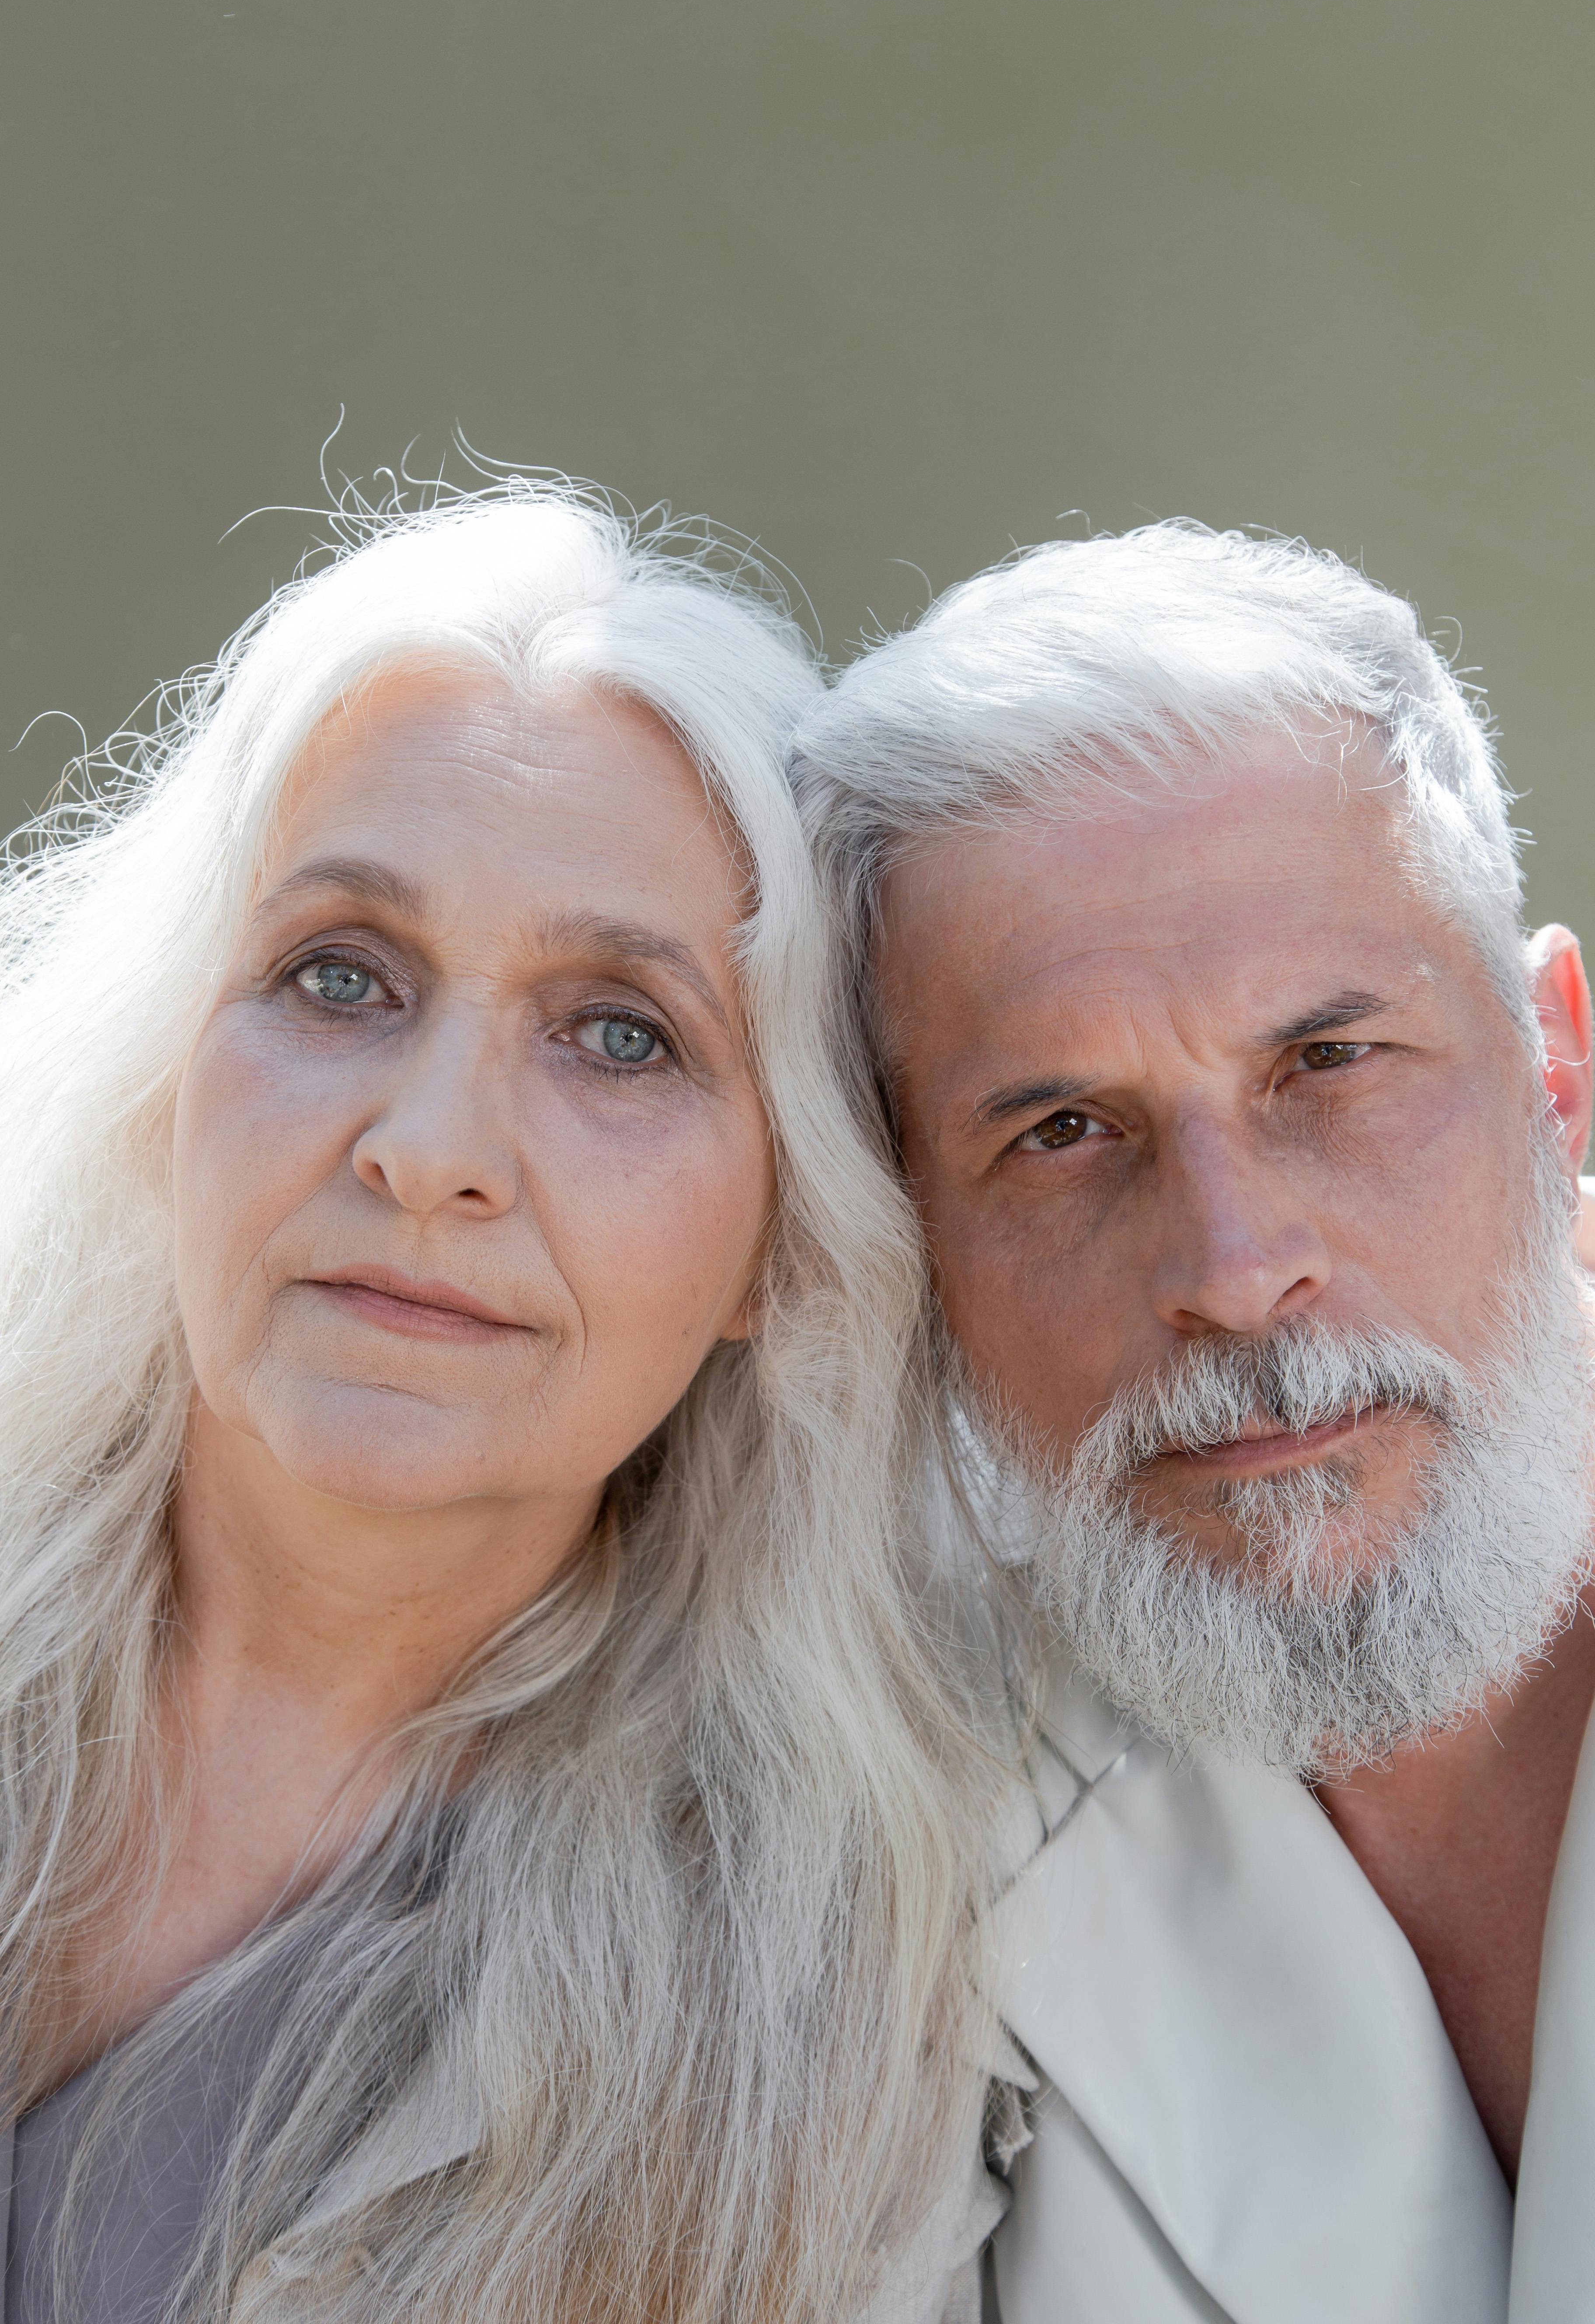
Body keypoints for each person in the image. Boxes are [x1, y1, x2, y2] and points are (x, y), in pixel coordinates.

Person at [0, 482, 1003, 2324]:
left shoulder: (835, 2041)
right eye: (339, 977)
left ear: (784, 1253)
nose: (432, 1150)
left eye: (621, 1030)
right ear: (165, 1064)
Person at [793, 520, 1595, 2323]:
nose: (1235, 1274)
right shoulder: (851, 1827)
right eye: (1063, 1132)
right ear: (910, 1236)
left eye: (1330, 1063)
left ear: (1557, 1075)